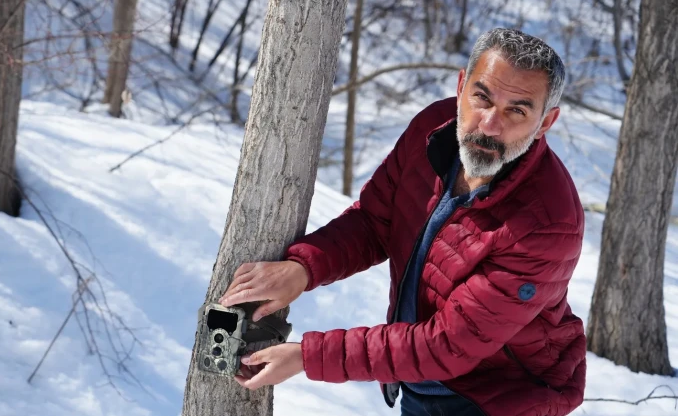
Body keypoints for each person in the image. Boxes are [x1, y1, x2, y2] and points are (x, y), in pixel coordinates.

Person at [219, 28, 586, 416]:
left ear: (545, 122)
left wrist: (309, 357)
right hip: (419, 378)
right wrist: (303, 268)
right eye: (482, 97)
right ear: (461, 86)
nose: (490, 124)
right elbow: (376, 222)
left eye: (517, 111)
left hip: (502, 398)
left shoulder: (548, 223)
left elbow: (448, 345)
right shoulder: (434, 129)